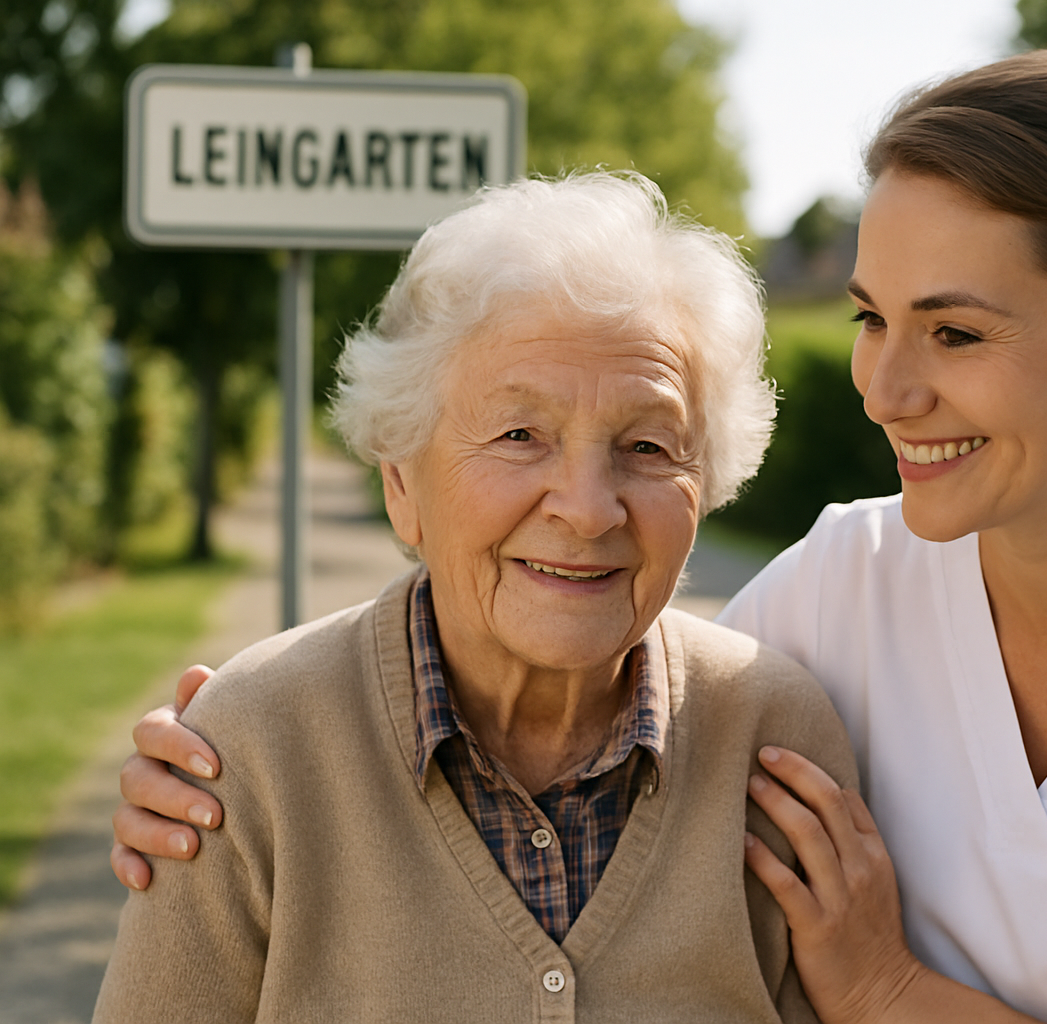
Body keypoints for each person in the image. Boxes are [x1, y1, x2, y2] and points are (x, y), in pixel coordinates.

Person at [111, 51, 1047, 1024]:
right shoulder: (833, 596)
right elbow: (596, 665)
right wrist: (212, 762)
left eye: (955, 331)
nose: (886, 387)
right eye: (871, 319)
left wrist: (884, 987)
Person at [93, 171, 856, 1023]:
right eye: (519, 435)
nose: (588, 508)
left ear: (706, 483)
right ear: (400, 483)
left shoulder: (777, 742)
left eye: (647, 446)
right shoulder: (249, 751)